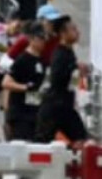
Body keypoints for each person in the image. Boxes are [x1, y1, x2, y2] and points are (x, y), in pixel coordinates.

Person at [35, 15, 88, 143]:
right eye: (73, 29)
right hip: (54, 106)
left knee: (81, 138)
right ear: (63, 34)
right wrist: (75, 68)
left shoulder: (69, 52)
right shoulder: (59, 54)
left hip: (66, 106)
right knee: (43, 144)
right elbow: (56, 77)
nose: (78, 32)